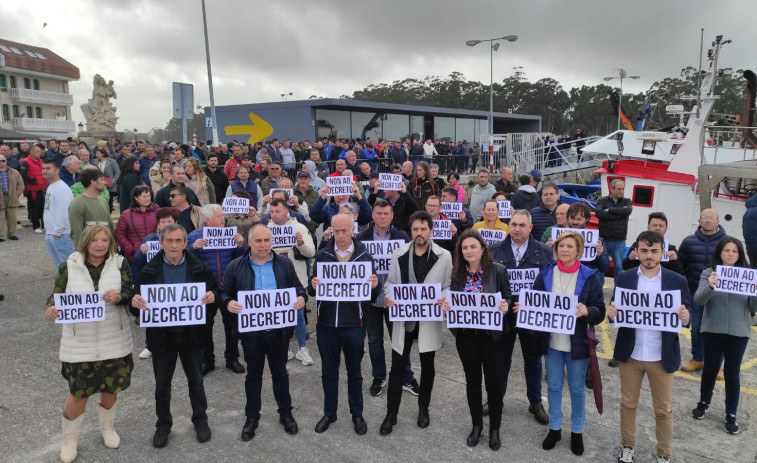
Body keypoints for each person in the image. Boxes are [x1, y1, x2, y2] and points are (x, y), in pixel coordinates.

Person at [44, 225, 135, 463]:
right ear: (85, 241)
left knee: (111, 388)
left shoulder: (119, 263)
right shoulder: (69, 265)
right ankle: (70, 440)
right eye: (95, 240)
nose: (100, 244)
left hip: (113, 340)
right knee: (78, 393)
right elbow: (56, 295)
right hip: (79, 343)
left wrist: (118, 297)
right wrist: (51, 308)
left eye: (105, 240)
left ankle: (107, 427)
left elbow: (129, 293)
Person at [517, 231, 605, 456]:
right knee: (554, 387)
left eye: (569, 246)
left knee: (576, 389)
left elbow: (600, 310)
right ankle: (555, 428)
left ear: (579, 250)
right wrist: (524, 307)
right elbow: (535, 301)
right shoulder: (546, 272)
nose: (564, 250)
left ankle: (577, 432)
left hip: (577, 344)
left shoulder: (589, 275)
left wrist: (588, 311)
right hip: (552, 343)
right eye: (561, 246)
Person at [130, 224, 218, 448]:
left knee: (196, 381)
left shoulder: (199, 267)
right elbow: (137, 299)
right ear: (161, 243)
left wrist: (211, 297)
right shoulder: (150, 270)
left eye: (179, 241)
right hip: (162, 338)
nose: (174, 245)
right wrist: (135, 303)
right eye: (169, 241)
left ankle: (201, 420)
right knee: (162, 385)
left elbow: (215, 291)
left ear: (185, 244)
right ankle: (163, 425)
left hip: (192, 336)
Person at [608, 231, 691, 463]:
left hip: (661, 355)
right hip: (631, 353)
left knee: (663, 410)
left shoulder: (677, 281)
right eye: (644, 251)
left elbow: (687, 315)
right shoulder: (624, 278)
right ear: (637, 252)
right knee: (628, 404)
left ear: (662, 252)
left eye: (654, 251)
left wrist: (685, 316)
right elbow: (616, 312)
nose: (649, 256)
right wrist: (612, 315)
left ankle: (664, 454)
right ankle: (627, 447)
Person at [222, 225, 307, 440]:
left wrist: (301, 298)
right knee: (253, 375)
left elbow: (298, 287)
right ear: (249, 242)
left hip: (279, 332)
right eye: (258, 241)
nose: (263, 245)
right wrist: (228, 302)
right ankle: (252, 418)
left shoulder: (284, 264)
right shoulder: (235, 266)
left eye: (267, 240)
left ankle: (286, 414)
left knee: (280, 373)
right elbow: (223, 291)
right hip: (252, 334)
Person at [380, 211, 452, 435]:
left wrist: (445, 299)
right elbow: (389, 283)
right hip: (404, 319)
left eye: (423, 229)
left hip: (428, 319)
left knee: (428, 367)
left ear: (430, 230)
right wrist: (387, 296)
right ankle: (391, 414)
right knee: (397, 368)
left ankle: (424, 408)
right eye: (415, 229)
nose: (419, 233)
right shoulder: (398, 253)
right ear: (410, 230)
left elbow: (448, 285)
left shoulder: (445, 256)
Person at [309, 213, 380, 435]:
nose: (340, 235)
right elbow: (313, 291)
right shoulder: (322, 255)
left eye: (344, 231)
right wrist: (313, 284)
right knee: (328, 371)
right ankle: (329, 412)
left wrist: (375, 284)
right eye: (336, 231)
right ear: (331, 230)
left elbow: (371, 293)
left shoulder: (365, 257)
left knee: (355, 372)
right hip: (327, 324)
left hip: (354, 325)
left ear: (353, 231)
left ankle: (356, 413)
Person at [439, 229, 511, 450]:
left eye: (473, 246)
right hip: (467, 338)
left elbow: (507, 295)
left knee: (494, 385)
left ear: (482, 248)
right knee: (472, 383)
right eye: (465, 247)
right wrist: (445, 307)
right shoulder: (457, 273)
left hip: (492, 339)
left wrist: (505, 305)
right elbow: (453, 301)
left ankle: (495, 429)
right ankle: (477, 425)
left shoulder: (498, 270)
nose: (469, 251)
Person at [489, 210, 552, 425]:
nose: (517, 229)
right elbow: (488, 283)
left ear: (530, 228)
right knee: (499, 359)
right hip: (503, 315)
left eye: (522, 225)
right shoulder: (495, 250)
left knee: (533, 359)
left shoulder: (544, 252)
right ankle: (495, 398)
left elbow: (548, 287)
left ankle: (535, 402)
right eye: (513, 224)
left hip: (531, 316)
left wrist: (535, 304)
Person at [692, 236, 756, 434]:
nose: (730, 254)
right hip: (712, 330)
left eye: (734, 251)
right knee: (710, 369)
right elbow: (699, 300)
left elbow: (753, 308)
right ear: (720, 252)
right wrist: (710, 286)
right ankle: (704, 402)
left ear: (740, 255)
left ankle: (731, 413)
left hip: (739, 332)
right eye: (727, 250)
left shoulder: (749, 275)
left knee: (732, 373)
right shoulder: (709, 273)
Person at [355, 199, 418, 397]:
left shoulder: (402, 236)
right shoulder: (360, 238)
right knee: (374, 341)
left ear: (392, 215)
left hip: (395, 299)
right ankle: (379, 376)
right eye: (378, 213)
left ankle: (405, 377)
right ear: (373, 215)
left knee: (399, 340)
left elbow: (411, 267)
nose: (382, 217)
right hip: (371, 300)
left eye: (386, 214)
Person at [187, 204, 247, 375]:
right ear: (208, 220)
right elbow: (187, 261)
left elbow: (240, 259)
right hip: (206, 289)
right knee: (205, 325)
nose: (223, 219)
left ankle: (232, 358)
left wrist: (240, 245)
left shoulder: (231, 235)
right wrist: (193, 248)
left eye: (223, 216)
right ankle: (207, 360)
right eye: (219, 216)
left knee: (232, 326)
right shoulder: (195, 236)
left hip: (228, 287)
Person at [266, 198, 316, 365]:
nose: (274, 215)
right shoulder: (266, 230)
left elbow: (311, 252)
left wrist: (301, 244)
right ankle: (285, 348)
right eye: (272, 212)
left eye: (277, 211)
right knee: (279, 317)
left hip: (296, 280)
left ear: (286, 211)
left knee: (299, 316)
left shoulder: (299, 228)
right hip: (273, 281)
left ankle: (302, 349)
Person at [678, 209, 726, 372]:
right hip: (695, 291)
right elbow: (681, 266)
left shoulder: (727, 243)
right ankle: (698, 358)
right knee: (697, 326)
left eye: (712, 218)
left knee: (718, 328)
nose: (708, 220)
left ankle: (716, 364)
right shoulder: (688, 242)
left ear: (717, 221)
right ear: (699, 221)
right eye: (705, 217)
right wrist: (686, 285)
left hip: (720, 293)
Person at [595, 179, 632, 285]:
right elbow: (599, 213)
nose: (621, 191)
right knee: (601, 266)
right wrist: (619, 215)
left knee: (619, 267)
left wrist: (610, 210)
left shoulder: (627, 201)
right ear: (612, 189)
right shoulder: (602, 201)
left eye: (623, 189)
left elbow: (627, 211)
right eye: (619, 189)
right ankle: (598, 290)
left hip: (619, 240)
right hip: (604, 239)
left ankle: (618, 290)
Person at [41, 159, 75, 266]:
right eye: (43, 168)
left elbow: (64, 211)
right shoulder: (51, 186)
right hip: (52, 232)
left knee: (70, 266)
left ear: (57, 170)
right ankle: (64, 283)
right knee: (61, 266)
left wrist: (58, 231)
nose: (45, 171)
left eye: (48, 168)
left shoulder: (61, 188)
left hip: (61, 234)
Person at [69, 168, 113, 246]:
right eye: (102, 180)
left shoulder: (103, 202)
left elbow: (110, 228)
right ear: (93, 182)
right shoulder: (77, 204)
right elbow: (76, 234)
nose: (105, 182)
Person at [19, 142, 48, 233]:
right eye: (38, 152)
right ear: (32, 152)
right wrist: (34, 181)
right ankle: (36, 226)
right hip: (33, 189)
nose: (40, 153)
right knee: (34, 207)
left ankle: (44, 224)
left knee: (43, 207)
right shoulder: (25, 162)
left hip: (42, 187)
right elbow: (24, 175)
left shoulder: (40, 161)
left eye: (40, 152)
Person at [0, 151, 25, 242]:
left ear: (6, 161)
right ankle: (1, 235)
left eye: (3, 160)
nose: (1, 163)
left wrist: (17, 194)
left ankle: (12, 234)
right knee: (1, 218)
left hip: (12, 197)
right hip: (0, 198)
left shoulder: (15, 172)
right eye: (0, 161)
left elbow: (21, 184)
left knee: (12, 217)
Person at [94, 148, 121, 214]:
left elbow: (118, 172)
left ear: (102, 154)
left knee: (109, 203)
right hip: (99, 185)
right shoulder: (95, 162)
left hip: (110, 185)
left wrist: (112, 181)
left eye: (97, 153)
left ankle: (108, 216)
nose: (96, 155)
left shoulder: (112, 161)